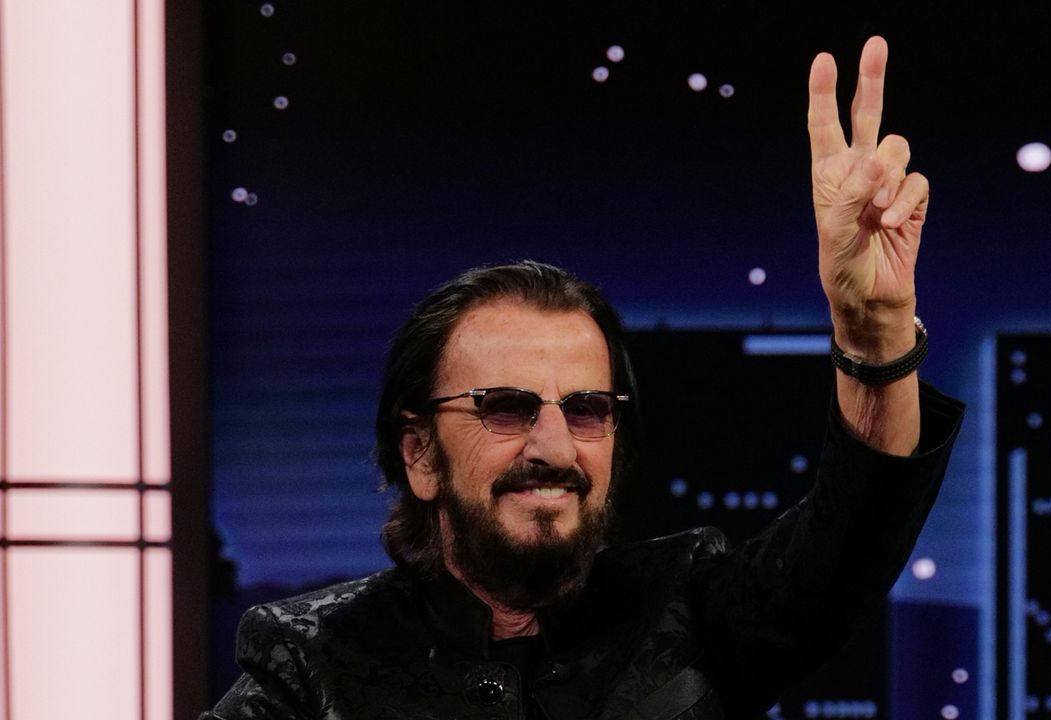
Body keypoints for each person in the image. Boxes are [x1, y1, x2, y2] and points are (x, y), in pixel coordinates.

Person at [206, 36, 964, 719]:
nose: (555, 446)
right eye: (506, 407)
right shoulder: (312, 663)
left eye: (587, 408)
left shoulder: (690, 609)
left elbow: (853, 532)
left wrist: (873, 331)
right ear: (420, 454)